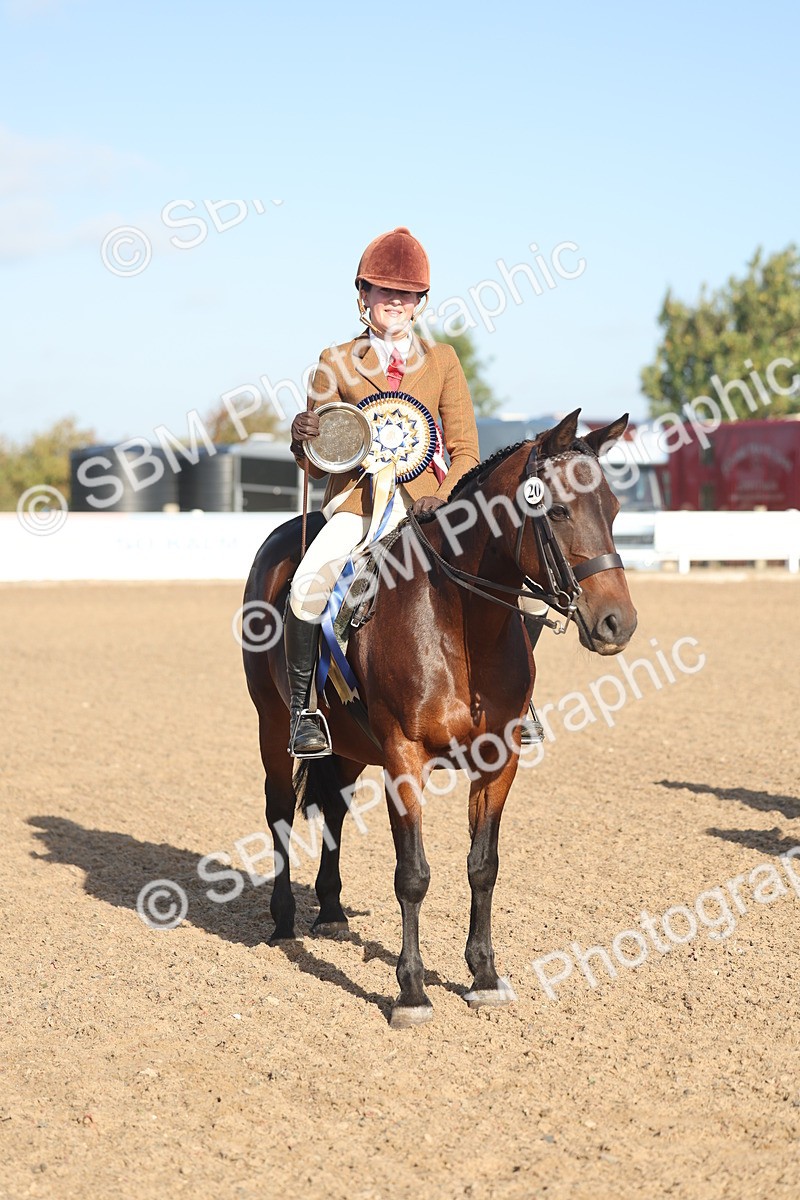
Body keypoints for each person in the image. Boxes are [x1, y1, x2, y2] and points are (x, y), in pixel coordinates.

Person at [286, 226, 480, 757]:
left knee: (506, 572)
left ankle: (517, 701)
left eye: (407, 294)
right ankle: (304, 714)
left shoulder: (443, 361)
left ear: (420, 303)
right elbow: (316, 465)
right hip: (359, 505)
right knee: (305, 586)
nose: (396, 301)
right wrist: (302, 439)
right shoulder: (334, 361)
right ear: (364, 295)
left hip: (429, 505)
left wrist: (444, 495)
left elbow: (466, 450)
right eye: (385, 290)